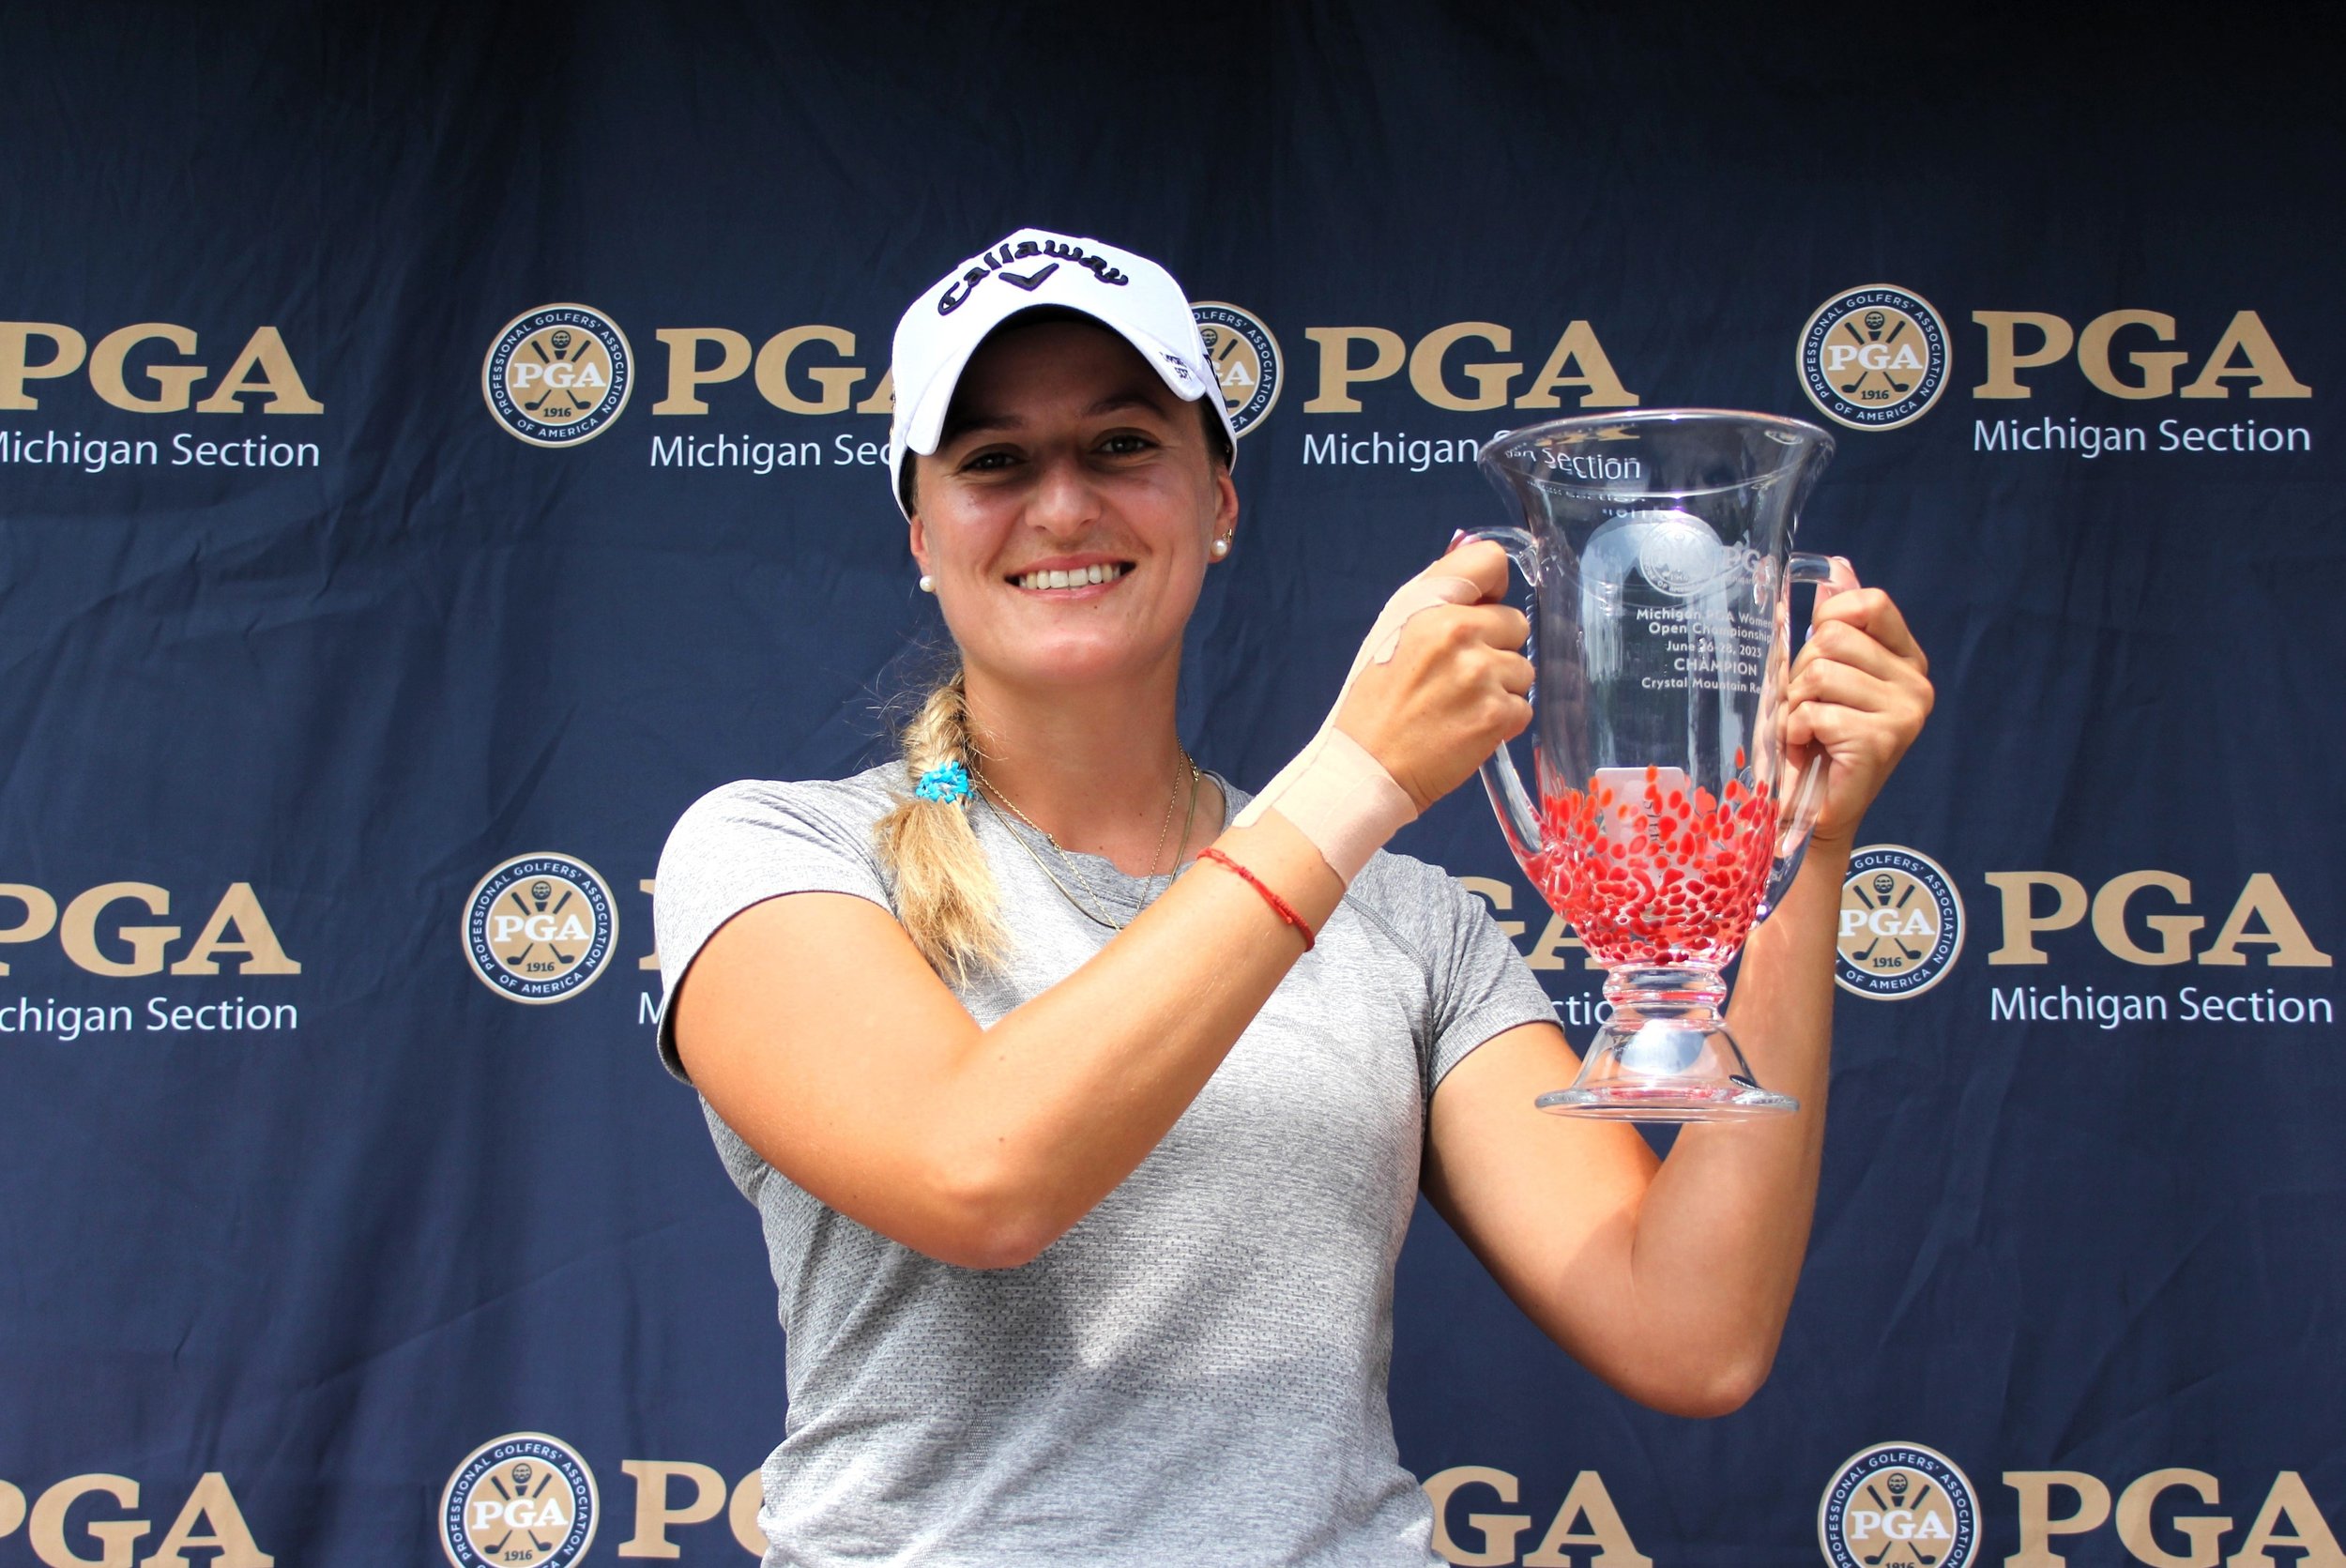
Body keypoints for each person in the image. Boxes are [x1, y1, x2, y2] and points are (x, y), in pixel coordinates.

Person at [652, 228, 1934, 1566]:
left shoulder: (1411, 924)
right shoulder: (779, 853)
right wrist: (1357, 774)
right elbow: (979, 1177)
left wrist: (1804, 846)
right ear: (923, 534)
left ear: (1220, 502)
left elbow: (1690, 1330)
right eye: (993, 461)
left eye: (1122, 444)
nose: (1063, 507)